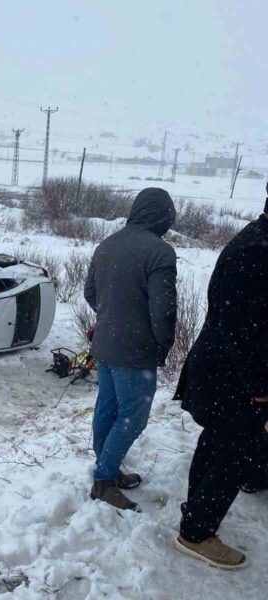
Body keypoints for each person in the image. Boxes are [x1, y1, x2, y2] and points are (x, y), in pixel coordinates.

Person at [173, 188, 268, 569]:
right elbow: (245, 331)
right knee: (231, 453)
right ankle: (196, 532)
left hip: (228, 373)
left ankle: (196, 514)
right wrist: (261, 391)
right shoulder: (257, 251)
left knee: (219, 444)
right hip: (233, 378)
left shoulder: (258, 241)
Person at [84, 188, 177, 511]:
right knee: (132, 418)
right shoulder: (160, 252)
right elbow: (163, 311)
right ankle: (105, 479)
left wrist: (112, 317)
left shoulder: (107, 245)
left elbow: (90, 293)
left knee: (107, 410)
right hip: (136, 351)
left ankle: (106, 468)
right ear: (164, 216)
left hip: (106, 346)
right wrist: (161, 344)